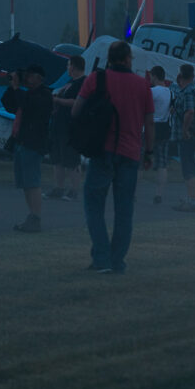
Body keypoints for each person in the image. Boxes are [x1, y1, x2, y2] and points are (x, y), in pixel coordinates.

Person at [73, 40, 154, 273]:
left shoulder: (96, 79)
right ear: (128, 58)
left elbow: (76, 111)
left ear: (109, 58)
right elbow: (149, 122)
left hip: (102, 150)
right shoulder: (142, 85)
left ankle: (101, 257)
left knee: (94, 204)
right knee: (124, 209)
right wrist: (149, 151)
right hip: (130, 153)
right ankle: (117, 260)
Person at [1, 64, 54, 232]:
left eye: (31, 75)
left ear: (40, 78)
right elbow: (9, 104)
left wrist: (17, 87)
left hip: (33, 143)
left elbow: (29, 106)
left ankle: (36, 217)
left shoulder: (45, 95)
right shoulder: (28, 94)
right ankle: (31, 216)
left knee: (32, 182)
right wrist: (12, 86)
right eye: (27, 75)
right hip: (22, 142)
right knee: (25, 183)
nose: (27, 78)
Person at [46, 56, 86, 202]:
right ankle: (58, 188)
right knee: (57, 159)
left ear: (74, 67)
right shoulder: (70, 82)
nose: (67, 68)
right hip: (58, 125)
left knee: (72, 160)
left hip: (71, 127)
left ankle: (74, 190)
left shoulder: (83, 83)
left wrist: (57, 100)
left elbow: (77, 102)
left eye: (68, 65)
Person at [170, 64, 195, 212]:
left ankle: (192, 199)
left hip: (188, 134)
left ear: (180, 75)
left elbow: (189, 112)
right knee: (190, 164)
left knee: (188, 167)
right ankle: (191, 197)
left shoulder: (189, 91)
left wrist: (185, 130)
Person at [148, 66, 171, 205]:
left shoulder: (151, 91)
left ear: (155, 76)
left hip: (149, 127)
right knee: (162, 163)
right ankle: (159, 194)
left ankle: (133, 193)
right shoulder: (171, 93)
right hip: (163, 129)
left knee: (139, 162)